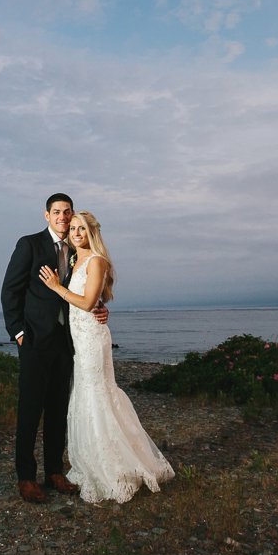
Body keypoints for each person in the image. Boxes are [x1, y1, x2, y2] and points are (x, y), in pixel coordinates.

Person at [39, 210, 175, 504]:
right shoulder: (75, 261)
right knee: (84, 397)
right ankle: (88, 460)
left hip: (91, 339)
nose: (76, 233)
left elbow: (88, 303)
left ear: (92, 233)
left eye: (82, 229)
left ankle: (113, 465)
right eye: (73, 228)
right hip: (78, 339)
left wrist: (57, 288)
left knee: (97, 396)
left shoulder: (97, 261)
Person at [1, 193, 107, 504]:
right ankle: (25, 477)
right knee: (30, 410)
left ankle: (54, 473)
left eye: (67, 212)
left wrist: (99, 308)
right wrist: (19, 332)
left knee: (59, 409)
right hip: (35, 341)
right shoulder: (30, 244)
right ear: (47, 215)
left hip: (68, 342)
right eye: (57, 212)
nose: (63, 217)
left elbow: (85, 292)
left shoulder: (77, 250)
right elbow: (10, 290)